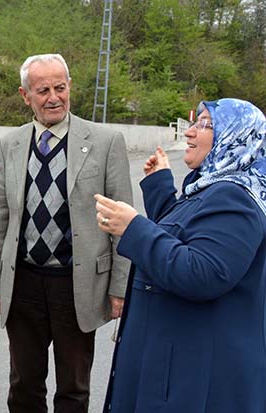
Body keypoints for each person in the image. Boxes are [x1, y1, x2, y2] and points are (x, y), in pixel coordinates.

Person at [96, 98, 266, 412]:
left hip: (194, 377)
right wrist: (160, 187)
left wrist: (133, 228)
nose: (190, 132)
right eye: (195, 122)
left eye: (206, 124)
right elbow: (183, 237)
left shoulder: (236, 198)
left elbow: (203, 273)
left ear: (235, 135)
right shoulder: (210, 188)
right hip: (178, 365)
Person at [0, 53, 133, 413]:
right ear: (25, 96)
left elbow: (123, 223)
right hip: (23, 283)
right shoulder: (9, 146)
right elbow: (0, 220)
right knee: (23, 386)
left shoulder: (105, 142)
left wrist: (119, 287)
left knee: (74, 389)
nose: (54, 98)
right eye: (43, 91)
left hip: (77, 285)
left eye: (60, 88)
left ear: (69, 87)